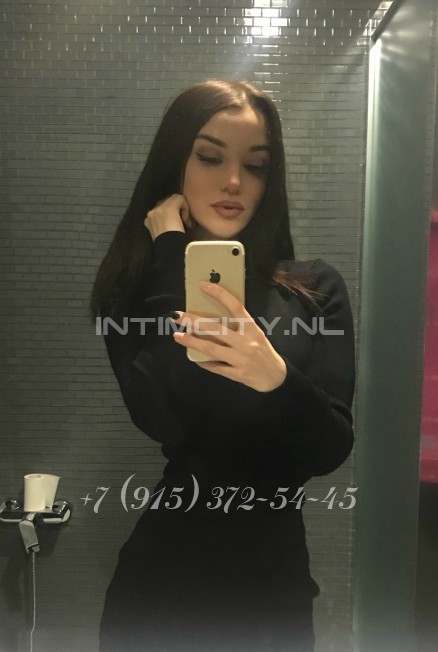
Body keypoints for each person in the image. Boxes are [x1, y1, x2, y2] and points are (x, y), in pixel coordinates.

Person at [90, 79, 356, 652]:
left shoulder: (313, 290)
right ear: (175, 164)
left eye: (255, 166)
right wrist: (171, 257)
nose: (234, 181)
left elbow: (329, 450)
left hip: (274, 593)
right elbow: (161, 416)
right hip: (157, 594)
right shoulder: (135, 293)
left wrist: (276, 379)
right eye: (210, 157)